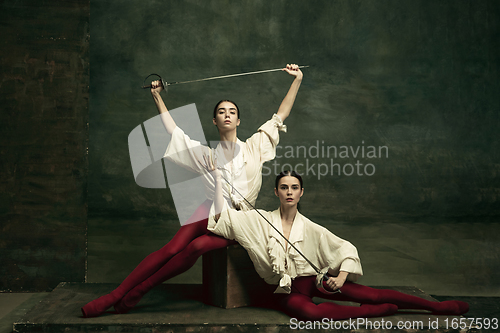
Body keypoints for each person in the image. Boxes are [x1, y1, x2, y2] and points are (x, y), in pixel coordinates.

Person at [81, 64, 303, 317]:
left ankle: (139, 291)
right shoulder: (205, 155)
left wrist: (296, 79)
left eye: (232, 112)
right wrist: (156, 96)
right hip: (207, 210)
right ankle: (114, 296)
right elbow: (173, 132)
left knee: (196, 249)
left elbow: (280, 115)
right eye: (221, 112)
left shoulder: (254, 147)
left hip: (237, 220)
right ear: (215, 120)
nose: (227, 115)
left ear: (239, 120)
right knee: (171, 249)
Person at [205, 167, 470, 321]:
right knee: (311, 313)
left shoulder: (311, 228)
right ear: (276, 192)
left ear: (301, 192)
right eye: (283, 187)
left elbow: (345, 249)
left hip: (315, 280)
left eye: (294, 187)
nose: (289, 192)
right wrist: (217, 180)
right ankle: (369, 313)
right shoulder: (259, 219)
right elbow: (221, 216)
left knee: (372, 293)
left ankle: (437, 307)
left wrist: (341, 278)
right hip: (287, 292)